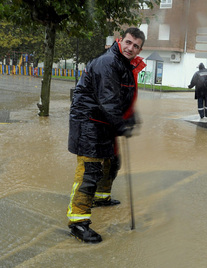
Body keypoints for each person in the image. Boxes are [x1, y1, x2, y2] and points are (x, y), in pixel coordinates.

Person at [67, 27, 146, 243]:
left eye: (136, 46)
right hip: (89, 121)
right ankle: (78, 223)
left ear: (140, 49)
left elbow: (123, 98)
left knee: (112, 162)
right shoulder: (108, 62)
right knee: (89, 171)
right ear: (120, 40)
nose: (131, 48)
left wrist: (130, 118)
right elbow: (108, 99)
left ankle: (101, 198)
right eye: (128, 42)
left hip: (103, 122)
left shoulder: (124, 64)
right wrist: (121, 125)